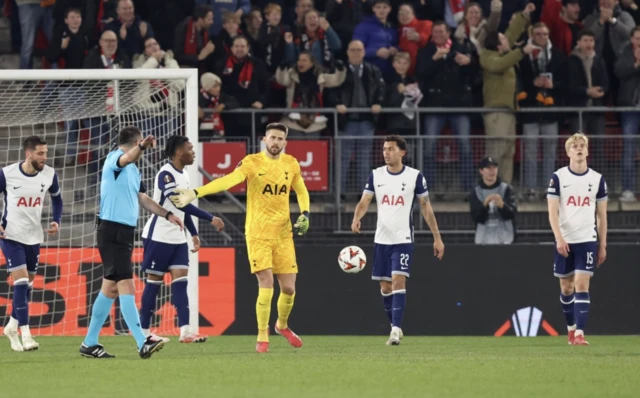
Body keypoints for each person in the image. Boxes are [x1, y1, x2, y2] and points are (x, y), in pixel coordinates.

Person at [170, 123, 311, 353]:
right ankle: (262, 336)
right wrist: (196, 192)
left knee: (289, 289)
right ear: (265, 139)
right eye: (272, 138)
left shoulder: (291, 163)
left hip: (284, 234)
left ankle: (281, 325)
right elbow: (228, 180)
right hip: (257, 233)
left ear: (285, 142)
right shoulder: (252, 162)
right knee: (266, 284)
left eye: (280, 139)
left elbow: (301, 190)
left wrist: (305, 213)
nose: (275, 142)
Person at [79, 126, 184, 359]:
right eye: (140, 144)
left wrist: (167, 214)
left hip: (123, 233)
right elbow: (128, 156)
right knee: (127, 284)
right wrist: (143, 147)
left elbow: (143, 199)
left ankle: (89, 343)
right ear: (137, 141)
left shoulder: (134, 171)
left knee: (110, 288)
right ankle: (141, 341)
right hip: (111, 230)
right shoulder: (115, 159)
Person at [350, 135, 445, 346]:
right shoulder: (376, 175)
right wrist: (357, 217)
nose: (386, 152)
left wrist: (437, 238)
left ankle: (394, 330)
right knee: (385, 287)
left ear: (402, 152)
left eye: (391, 149)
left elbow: (426, 207)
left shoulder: (414, 176)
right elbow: (365, 201)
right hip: (381, 239)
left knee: (398, 280)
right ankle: (396, 324)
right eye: (384, 149)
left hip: (403, 239)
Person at [139, 136, 225, 343]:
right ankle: (143, 334)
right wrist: (210, 218)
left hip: (178, 238)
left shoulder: (185, 174)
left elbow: (184, 210)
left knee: (180, 283)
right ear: (179, 152)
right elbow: (180, 203)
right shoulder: (166, 174)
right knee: (154, 285)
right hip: (158, 235)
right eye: (190, 148)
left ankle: (185, 331)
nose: (193, 152)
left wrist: (193, 233)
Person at [1, 136, 63, 352]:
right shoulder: (7, 174)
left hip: (34, 237)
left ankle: (11, 326)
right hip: (10, 236)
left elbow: (57, 199)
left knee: (27, 286)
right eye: (40, 153)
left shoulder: (49, 174)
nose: (44, 157)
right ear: (28, 153)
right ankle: (26, 334)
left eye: (45, 153)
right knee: (20, 282)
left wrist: (56, 220)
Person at [547, 132, 608, 346]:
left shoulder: (597, 179)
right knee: (566, 287)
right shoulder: (558, 177)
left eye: (583, 145)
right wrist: (559, 238)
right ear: (568, 152)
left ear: (588, 150)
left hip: (587, 239)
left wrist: (602, 244)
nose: (579, 148)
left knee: (582, 284)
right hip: (565, 239)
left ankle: (580, 333)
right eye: (575, 146)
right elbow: (552, 212)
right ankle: (571, 328)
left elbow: (602, 215)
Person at [469, 156, 517, 245]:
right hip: (483, 239)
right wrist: (485, 205)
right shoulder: (476, 191)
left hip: (505, 239)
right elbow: (476, 217)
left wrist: (502, 205)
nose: (492, 171)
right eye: (488, 168)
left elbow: (512, 214)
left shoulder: (506, 189)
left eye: (494, 168)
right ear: (481, 171)